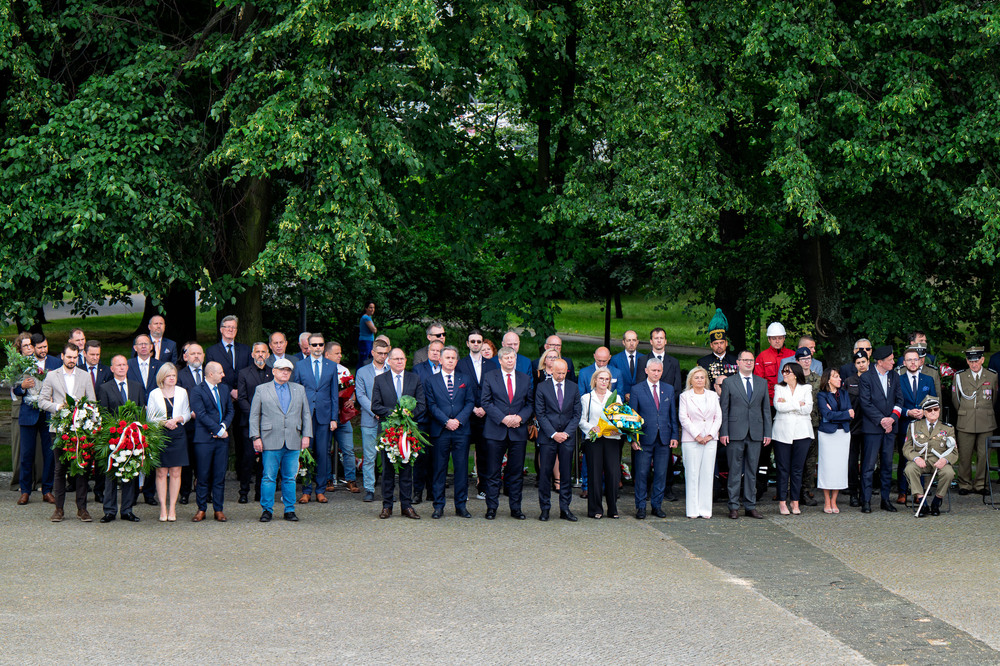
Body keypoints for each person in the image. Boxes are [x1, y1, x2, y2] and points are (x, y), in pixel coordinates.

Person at [37, 343, 97, 522]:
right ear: (62, 356)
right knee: (59, 469)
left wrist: (86, 412)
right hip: (59, 430)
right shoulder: (51, 376)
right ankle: (59, 509)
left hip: (80, 430)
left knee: (81, 469)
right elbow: (41, 401)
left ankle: (82, 509)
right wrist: (57, 407)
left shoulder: (85, 376)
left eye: (75, 357)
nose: (72, 360)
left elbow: (93, 402)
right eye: (69, 357)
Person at [249, 358, 312, 522]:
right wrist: (256, 437)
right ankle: (267, 510)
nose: (285, 372)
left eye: (288, 370)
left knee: (290, 477)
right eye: (282, 369)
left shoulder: (299, 389)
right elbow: (255, 415)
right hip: (270, 439)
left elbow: (306, 414)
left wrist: (306, 435)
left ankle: (289, 510)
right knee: (269, 477)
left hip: (293, 439)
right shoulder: (262, 389)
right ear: (274, 371)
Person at [371, 348, 426, 519]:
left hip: (408, 431)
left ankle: (407, 506)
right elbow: (375, 405)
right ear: (389, 360)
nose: (400, 361)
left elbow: (422, 404)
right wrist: (394, 414)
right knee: (387, 469)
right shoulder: (380, 380)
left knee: (406, 468)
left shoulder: (414, 379)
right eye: (396, 359)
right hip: (388, 430)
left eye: (402, 358)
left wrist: (409, 414)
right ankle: (387, 506)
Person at [480, 346, 534, 520]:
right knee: (493, 472)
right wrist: (503, 418)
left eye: (513, 358)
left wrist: (520, 417)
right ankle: (492, 507)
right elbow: (486, 402)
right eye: (507, 358)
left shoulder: (525, 379)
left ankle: (516, 508)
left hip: (518, 431)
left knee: (516, 472)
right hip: (496, 430)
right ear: (501, 360)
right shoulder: (490, 377)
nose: (510, 361)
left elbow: (530, 404)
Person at [719, 350, 772, 519]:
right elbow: (724, 409)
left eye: (751, 360)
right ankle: (733, 506)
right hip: (735, 432)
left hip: (756, 432)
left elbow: (766, 411)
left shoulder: (762, 383)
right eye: (745, 360)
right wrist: (724, 431)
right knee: (734, 470)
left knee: (752, 471)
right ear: (738, 362)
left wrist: (767, 432)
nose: (748, 363)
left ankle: (750, 505)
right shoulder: (729, 382)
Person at [424, 345, 475, 518]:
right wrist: (446, 421)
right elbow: (431, 405)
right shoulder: (431, 380)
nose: (450, 361)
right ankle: (438, 506)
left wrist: (458, 421)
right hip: (441, 430)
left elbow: (469, 403)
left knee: (461, 469)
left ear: (457, 361)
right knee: (439, 469)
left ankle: (461, 505)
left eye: (453, 358)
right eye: (447, 358)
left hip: (461, 430)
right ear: (440, 360)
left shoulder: (465, 379)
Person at [628, 358, 679, 519]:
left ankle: (657, 505)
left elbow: (672, 415)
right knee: (642, 473)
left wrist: (674, 435)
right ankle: (641, 506)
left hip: (664, 438)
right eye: (653, 370)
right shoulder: (637, 389)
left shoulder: (668, 389)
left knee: (661, 473)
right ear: (646, 371)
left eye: (659, 371)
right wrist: (633, 439)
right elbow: (632, 417)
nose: (656, 373)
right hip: (644, 438)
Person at [97, 355, 145, 523]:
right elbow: (103, 414)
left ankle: (127, 510)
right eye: (118, 365)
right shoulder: (104, 388)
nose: (122, 367)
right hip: (113, 439)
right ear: (112, 368)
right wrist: (114, 433)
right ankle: (109, 510)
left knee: (130, 473)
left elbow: (141, 412)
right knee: (111, 475)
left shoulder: (137, 387)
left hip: (132, 438)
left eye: (124, 364)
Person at [534, 359, 582, 522]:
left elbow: (577, 414)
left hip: (567, 438)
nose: (561, 376)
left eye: (564, 373)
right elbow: (540, 414)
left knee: (566, 474)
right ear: (551, 371)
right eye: (558, 373)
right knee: (545, 474)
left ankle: (565, 508)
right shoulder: (542, 387)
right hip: (548, 437)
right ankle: (545, 508)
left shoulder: (574, 388)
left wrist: (566, 433)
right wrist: (554, 433)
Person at [292, 333, 337, 503]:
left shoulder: (331, 366)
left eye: (320, 344)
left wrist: (334, 418)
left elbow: (334, 394)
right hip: (305, 416)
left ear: (324, 346)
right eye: (314, 345)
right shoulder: (301, 365)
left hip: (325, 416)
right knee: (306, 453)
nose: (317, 348)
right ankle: (306, 490)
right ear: (308, 347)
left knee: (323, 453)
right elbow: (296, 391)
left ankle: (320, 489)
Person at [859, 345, 903, 513]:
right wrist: (881, 420)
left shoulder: (895, 376)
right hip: (873, 428)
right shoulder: (866, 377)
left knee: (887, 464)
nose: (893, 362)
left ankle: (885, 500)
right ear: (880, 362)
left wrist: (891, 419)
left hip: (890, 428)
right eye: (890, 360)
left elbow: (900, 400)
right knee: (869, 466)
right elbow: (865, 403)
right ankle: (866, 500)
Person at [189, 361, 233, 522]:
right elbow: (200, 414)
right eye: (221, 372)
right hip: (204, 440)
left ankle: (218, 509)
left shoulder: (224, 388)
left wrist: (223, 426)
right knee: (203, 475)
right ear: (211, 374)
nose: (224, 375)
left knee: (219, 475)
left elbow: (230, 410)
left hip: (221, 440)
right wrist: (218, 431)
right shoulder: (197, 391)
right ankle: (201, 509)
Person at [456, 330, 498, 500]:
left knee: (484, 453)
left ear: (482, 343)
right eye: (472, 341)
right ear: (467, 343)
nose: (475, 344)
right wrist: (472, 407)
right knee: (462, 453)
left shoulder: (492, 365)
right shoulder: (460, 364)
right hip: (466, 414)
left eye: (478, 341)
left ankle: (483, 487)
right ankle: (462, 490)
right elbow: (459, 391)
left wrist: (485, 408)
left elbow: (495, 390)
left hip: (486, 415)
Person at [146, 363, 191, 522]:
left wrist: (178, 419)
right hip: (160, 434)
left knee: (176, 472)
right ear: (162, 377)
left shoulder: (182, 392)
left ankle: (172, 508)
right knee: (161, 472)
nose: (172, 378)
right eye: (169, 376)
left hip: (178, 433)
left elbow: (187, 413)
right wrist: (165, 422)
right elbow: (150, 418)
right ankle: (163, 508)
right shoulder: (154, 393)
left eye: (174, 376)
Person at [951, 346, 997, 496]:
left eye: (977, 361)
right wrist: (965, 412)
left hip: (986, 421)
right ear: (967, 361)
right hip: (966, 420)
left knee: (984, 455)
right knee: (964, 455)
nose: (974, 364)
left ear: (982, 360)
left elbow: (994, 398)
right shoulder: (960, 376)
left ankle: (981, 484)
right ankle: (964, 484)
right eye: (971, 361)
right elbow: (956, 400)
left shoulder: (992, 376)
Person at [895, 347, 937, 504]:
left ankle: (917, 493)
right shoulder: (898, 380)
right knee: (905, 457)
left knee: (921, 458)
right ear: (904, 362)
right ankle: (902, 491)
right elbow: (895, 402)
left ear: (920, 361)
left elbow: (934, 403)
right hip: (905, 424)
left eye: (915, 359)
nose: (913, 362)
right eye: (909, 360)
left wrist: (924, 412)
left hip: (923, 426)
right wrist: (907, 412)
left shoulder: (928, 380)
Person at [679, 366, 722, 519]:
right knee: (692, 473)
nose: (699, 380)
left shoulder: (712, 396)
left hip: (710, 440)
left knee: (707, 473)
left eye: (702, 377)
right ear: (691, 380)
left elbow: (718, 417)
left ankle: (705, 510)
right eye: (696, 377)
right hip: (691, 440)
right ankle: (692, 510)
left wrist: (710, 435)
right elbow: (683, 418)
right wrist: (697, 435)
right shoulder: (685, 396)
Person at [903, 396, 956, 517]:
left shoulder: (948, 428)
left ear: (939, 411)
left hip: (939, 461)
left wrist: (945, 460)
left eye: (936, 409)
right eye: (929, 410)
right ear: (924, 412)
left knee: (949, 473)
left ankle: (937, 501)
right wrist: (916, 458)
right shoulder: (914, 426)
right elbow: (907, 447)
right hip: (920, 460)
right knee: (909, 469)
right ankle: (922, 502)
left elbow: (954, 451)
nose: (933, 412)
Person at [771, 363, 813, 515]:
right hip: (782, 433)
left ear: (795, 374)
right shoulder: (779, 388)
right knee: (783, 469)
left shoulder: (806, 388)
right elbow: (778, 406)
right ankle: (782, 502)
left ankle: (795, 501)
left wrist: (789, 404)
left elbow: (808, 408)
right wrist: (798, 405)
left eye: (787, 371)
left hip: (802, 432)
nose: (784, 374)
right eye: (783, 371)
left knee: (797, 469)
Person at [579, 368, 621, 519]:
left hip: (611, 439)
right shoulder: (586, 398)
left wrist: (619, 429)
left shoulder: (616, 398)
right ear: (595, 380)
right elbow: (582, 420)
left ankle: (613, 508)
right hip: (594, 439)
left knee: (613, 474)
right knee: (594, 474)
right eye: (601, 378)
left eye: (607, 379)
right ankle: (595, 509)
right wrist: (592, 428)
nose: (604, 382)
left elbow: (621, 419)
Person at [355, 339, 390, 502]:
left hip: (389, 419)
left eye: (385, 354)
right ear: (373, 353)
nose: (383, 356)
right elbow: (360, 395)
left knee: (389, 456)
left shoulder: (391, 370)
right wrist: (374, 410)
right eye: (380, 353)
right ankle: (369, 488)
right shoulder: (362, 372)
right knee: (369, 456)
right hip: (369, 419)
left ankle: (387, 489)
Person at [236, 342, 272, 503]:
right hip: (248, 422)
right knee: (248, 458)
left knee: (265, 460)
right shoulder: (243, 373)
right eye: (257, 352)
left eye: (263, 352)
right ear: (252, 354)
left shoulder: (273, 373)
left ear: (268, 355)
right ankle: (243, 492)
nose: (260, 355)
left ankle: (260, 492)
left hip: (269, 423)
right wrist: (254, 415)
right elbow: (241, 397)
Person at [324, 341, 359, 493]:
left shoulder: (344, 371)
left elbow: (353, 390)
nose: (340, 356)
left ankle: (350, 479)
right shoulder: (322, 370)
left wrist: (351, 400)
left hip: (342, 416)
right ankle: (327, 479)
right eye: (337, 353)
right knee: (324, 449)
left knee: (348, 449)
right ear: (327, 355)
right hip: (325, 416)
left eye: (340, 353)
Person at [817, 368, 852, 514]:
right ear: (828, 379)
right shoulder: (821, 395)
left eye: (839, 376)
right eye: (836, 377)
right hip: (827, 434)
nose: (839, 379)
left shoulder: (844, 393)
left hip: (843, 433)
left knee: (839, 467)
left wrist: (837, 414)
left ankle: (834, 500)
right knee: (827, 467)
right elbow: (827, 414)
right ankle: (826, 500)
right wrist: (842, 414)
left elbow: (851, 414)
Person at [176, 342, 204, 505]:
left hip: (206, 425)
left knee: (204, 461)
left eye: (199, 353)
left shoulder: (209, 373)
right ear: (186, 357)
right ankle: (184, 492)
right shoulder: (180, 375)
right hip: (188, 424)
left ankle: (204, 492)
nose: (196, 356)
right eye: (192, 354)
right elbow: (179, 399)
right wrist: (190, 413)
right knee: (187, 461)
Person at [843, 350, 869, 507]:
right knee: (852, 461)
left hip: (869, 427)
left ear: (868, 362)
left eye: (863, 362)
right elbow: (845, 402)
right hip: (853, 427)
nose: (861, 365)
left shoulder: (874, 379)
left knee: (867, 462)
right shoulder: (849, 381)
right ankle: (853, 492)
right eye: (858, 363)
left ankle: (865, 493)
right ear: (855, 365)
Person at [754, 322, 795, 404]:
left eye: (780, 338)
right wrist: (775, 396)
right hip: (769, 401)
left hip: (791, 399)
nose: (777, 341)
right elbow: (759, 381)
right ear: (769, 340)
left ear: (784, 338)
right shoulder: (762, 357)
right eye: (774, 338)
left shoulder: (793, 355)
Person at [696, 310, 738, 388]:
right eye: (716, 343)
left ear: (726, 343)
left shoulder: (735, 361)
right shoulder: (703, 362)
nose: (719, 346)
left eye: (721, 342)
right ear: (711, 345)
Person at [610, 329, 646, 399]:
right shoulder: (615, 360)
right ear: (623, 342)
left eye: (634, 340)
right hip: (621, 398)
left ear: (637, 342)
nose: (631, 343)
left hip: (640, 398)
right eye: (629, 340)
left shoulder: (644, 359)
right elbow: (613, 382)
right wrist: (624, 394)